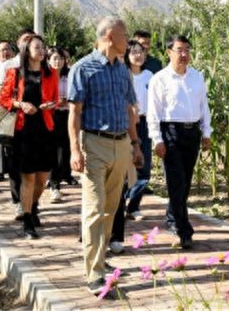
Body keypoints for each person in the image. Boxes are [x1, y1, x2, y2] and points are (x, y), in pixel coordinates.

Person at [67, 16, 144, 296]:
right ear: (110, 36)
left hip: (121, 143)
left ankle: (99, 257)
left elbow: (129, 109)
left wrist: (135, 144)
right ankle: (95, 275)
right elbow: (74, 113)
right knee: (94, 209)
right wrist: (75, 149)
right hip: (94, 145)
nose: (129, 42)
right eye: (125, 36)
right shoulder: (82, 68)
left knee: (112, 209)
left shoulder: (122, 70)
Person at [147, 35, 211, 250]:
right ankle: (182, 230)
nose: (184, 54)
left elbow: (204, 106)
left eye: (187, 50)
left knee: (185, 183)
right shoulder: (160, 79)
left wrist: (206, 132)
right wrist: (156, 138)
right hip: (170, 132)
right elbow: (153, 112)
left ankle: (173, 218)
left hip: (191, 133)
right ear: (169, 52)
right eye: (179, 50)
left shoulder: (197, 77)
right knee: (176, 182)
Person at [0, 35, 58, 239]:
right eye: (37, 47)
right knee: (28, 177)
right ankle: (27, 220)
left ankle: (33, 206)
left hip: (45, 128)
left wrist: (50, 105)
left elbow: (55, 99)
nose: (42, 51)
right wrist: (21, 104)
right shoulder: (14, 73)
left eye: (43, 47)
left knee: (42, 179)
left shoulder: (51, 74)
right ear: (26, 50)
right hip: (23, 131)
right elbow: (4, 99)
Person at [0, 28, 35, 221]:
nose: (28, 43)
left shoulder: (41, 66)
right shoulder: (9, 66)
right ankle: (18, 201)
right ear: (18, 43)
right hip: (14, 120)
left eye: (32, 39)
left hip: (36, 123)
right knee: (15, 162)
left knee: (34, 165)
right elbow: (1, 95)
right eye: (25, 39)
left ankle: (31, 203)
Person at [124, 40, 154, 221]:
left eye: (141, 52)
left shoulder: (150, 75)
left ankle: (133, 206)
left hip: (145, 122)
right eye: (134, 52)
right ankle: (120, 201)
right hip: (126, 123)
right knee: (124, 166)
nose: (138, 55)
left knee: (143, 165)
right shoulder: (123, 74)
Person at [47, 46, 75, 203]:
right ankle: (54, 186)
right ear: (48, 60)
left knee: (64, 150)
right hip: (50, 116)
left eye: (61, 59)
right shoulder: (44, 77)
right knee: (52, 151)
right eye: (55, 58)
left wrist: (67, 101)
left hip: (67, 115)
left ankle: (59, 178)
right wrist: (56, 102)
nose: (58, 62)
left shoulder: (69, 76)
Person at [0, 40, 15, 182]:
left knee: (12, 139)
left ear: (12, 51)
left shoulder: (16, 65)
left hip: (14, 106)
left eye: (7, 49)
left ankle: (12, 168)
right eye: (1, 50)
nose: (4, 52)